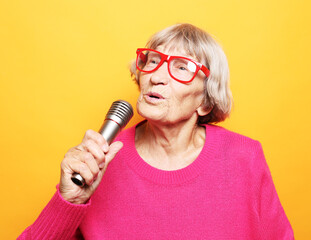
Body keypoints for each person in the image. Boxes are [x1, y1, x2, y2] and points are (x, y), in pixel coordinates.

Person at [18, 23, 294, 239]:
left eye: (181, 68)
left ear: (205, 101)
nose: (157, 76)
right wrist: (70, 200)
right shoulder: (98, 160)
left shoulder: (244, 157)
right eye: (152, 61)